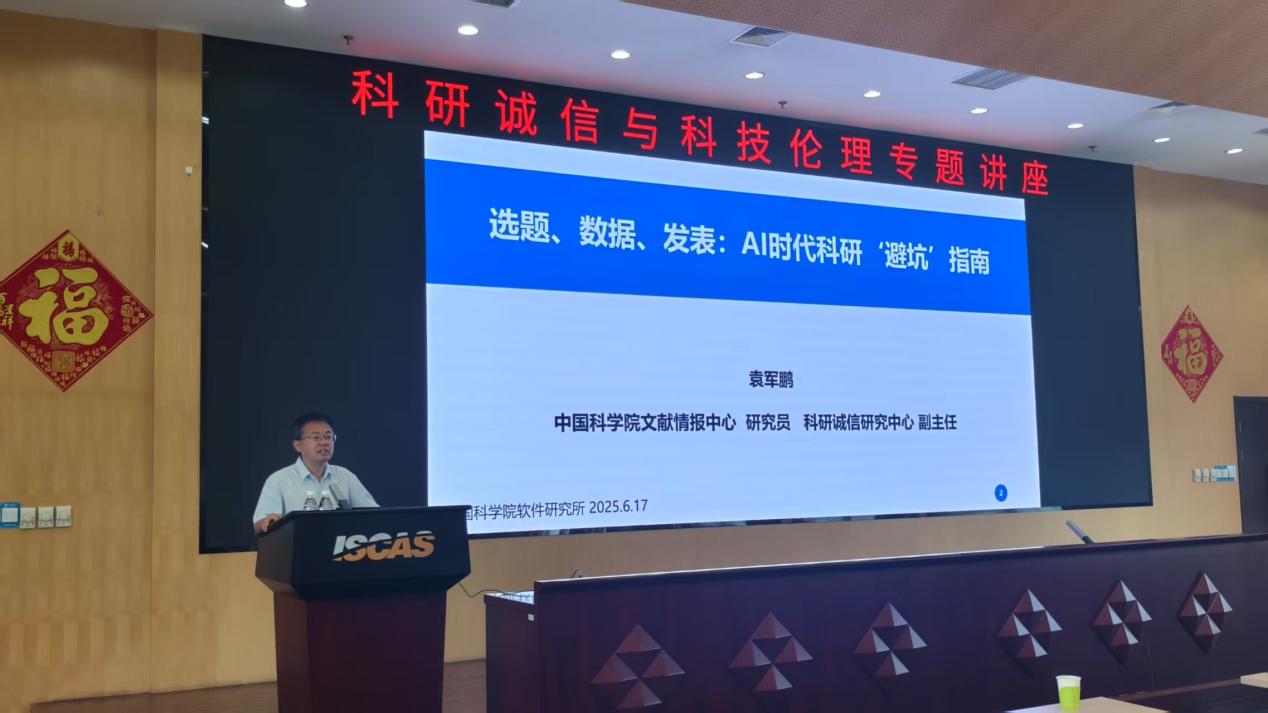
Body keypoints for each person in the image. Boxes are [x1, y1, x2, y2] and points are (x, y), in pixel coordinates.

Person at [253, 412, 379, 534]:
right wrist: (268, 522)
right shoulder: (279, 479)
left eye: (328, 437)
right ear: (298, 445)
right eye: (316, 437)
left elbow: (374, 515)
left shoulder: (345, 476)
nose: (324, 442)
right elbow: (259, 525)